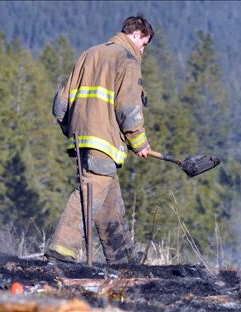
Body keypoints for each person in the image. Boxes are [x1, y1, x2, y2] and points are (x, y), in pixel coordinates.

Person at [45, 15, 154, 265]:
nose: (143, 51)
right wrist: (140, 142)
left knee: (107, 196)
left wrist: (70, 128)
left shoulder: (89, 54)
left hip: (80, 138)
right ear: (136, 35)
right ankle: (62, 248)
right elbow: (129, 109)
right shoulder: (127, 61)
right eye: (144, 44)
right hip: (104, 141)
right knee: (89, 191)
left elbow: (60, 103)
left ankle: (122, 255)